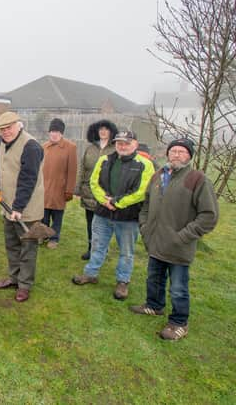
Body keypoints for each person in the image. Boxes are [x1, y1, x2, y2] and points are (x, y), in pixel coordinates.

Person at [130, 138, 219, 340]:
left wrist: (183, 236)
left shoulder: (197, 179)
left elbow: (209, 216)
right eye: (173, 151)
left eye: (181, 151)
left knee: (178, 287)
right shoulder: (158, 175)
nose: (176, 154)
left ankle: (179, 323)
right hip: (155, 241)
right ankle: (154, 305)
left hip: (179, 245)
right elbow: (145, 205)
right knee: (154, 277)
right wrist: (144, 227)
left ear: (189, 156)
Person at [72, 130, 155, 300]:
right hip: (102, 213)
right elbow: (93, 182)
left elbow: (142, 191)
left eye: (126, 143)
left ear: (135, 144)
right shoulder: (105, 160)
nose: (122, 146)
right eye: (119, 143)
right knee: (97, 245)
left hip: (128, 217)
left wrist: (117, 202)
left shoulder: (145, 164)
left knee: (126, 251)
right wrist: (105, 201)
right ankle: (91, 273)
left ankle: (123, 281)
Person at [0, 112, 44, 303]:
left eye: (9, 128)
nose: (5, 132)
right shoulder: (1, 143)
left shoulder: (31, 146)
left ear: (18, 125)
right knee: (11, 243)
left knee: (27, 247)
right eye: (2, 129)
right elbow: (2, 169)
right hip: (8, 206)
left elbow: (28, 179)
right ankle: (14, 278)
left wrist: (19, 207)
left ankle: (24, 285)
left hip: (26, 209)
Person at [76, 120, 118, 260]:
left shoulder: (115, 149)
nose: (103, 131)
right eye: (101, 129)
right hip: (88, 191)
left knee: (104, 224)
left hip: (105, 193)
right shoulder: (90, 148)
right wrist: (78, 188)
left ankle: (102, 250)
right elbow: (82, 167)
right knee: (90, 223)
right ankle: (91, 248)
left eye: (106, 129)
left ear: (111, 131)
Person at [42, 118, 77, 248]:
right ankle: (43, 235)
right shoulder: (44, 147)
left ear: (61, 133)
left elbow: (72, 171)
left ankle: (54, 238)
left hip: (59, 189)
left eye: (56, 131)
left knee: (57, 216)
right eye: (51, 131)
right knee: (43, 215)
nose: (53, 134)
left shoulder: (70, 147)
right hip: (45, 188)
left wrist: (69, 190)